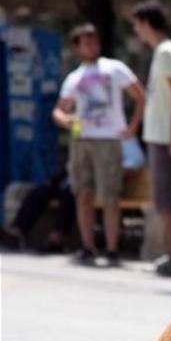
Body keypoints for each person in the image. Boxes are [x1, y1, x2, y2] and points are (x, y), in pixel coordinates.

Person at [52, 23, 145, 267]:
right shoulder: (74, 77)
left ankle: (112, 248)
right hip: (82, 139)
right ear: (78, 47)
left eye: (95, 40)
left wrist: (133, 126)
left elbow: (140, 95)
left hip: (109, 139)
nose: (92, 45)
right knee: (83, 192)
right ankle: (88, 246)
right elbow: (59, 111)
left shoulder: (114, 68)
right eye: (86, 41)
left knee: (110, 195)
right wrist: (66, 120)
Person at [131, 0, 171, 274]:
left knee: (167, 200)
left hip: (165, 137)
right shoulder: (162, 52)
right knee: (165, 199)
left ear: (145, 23)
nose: (136, 31)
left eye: (137, 25)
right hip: (161, 135)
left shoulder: (166, 53)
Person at [0, 168, 75, 253]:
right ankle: (16, 233)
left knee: (68, 196)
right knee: (39, 192)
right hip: (66, 182)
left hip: (80, 188)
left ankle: (56, 240)